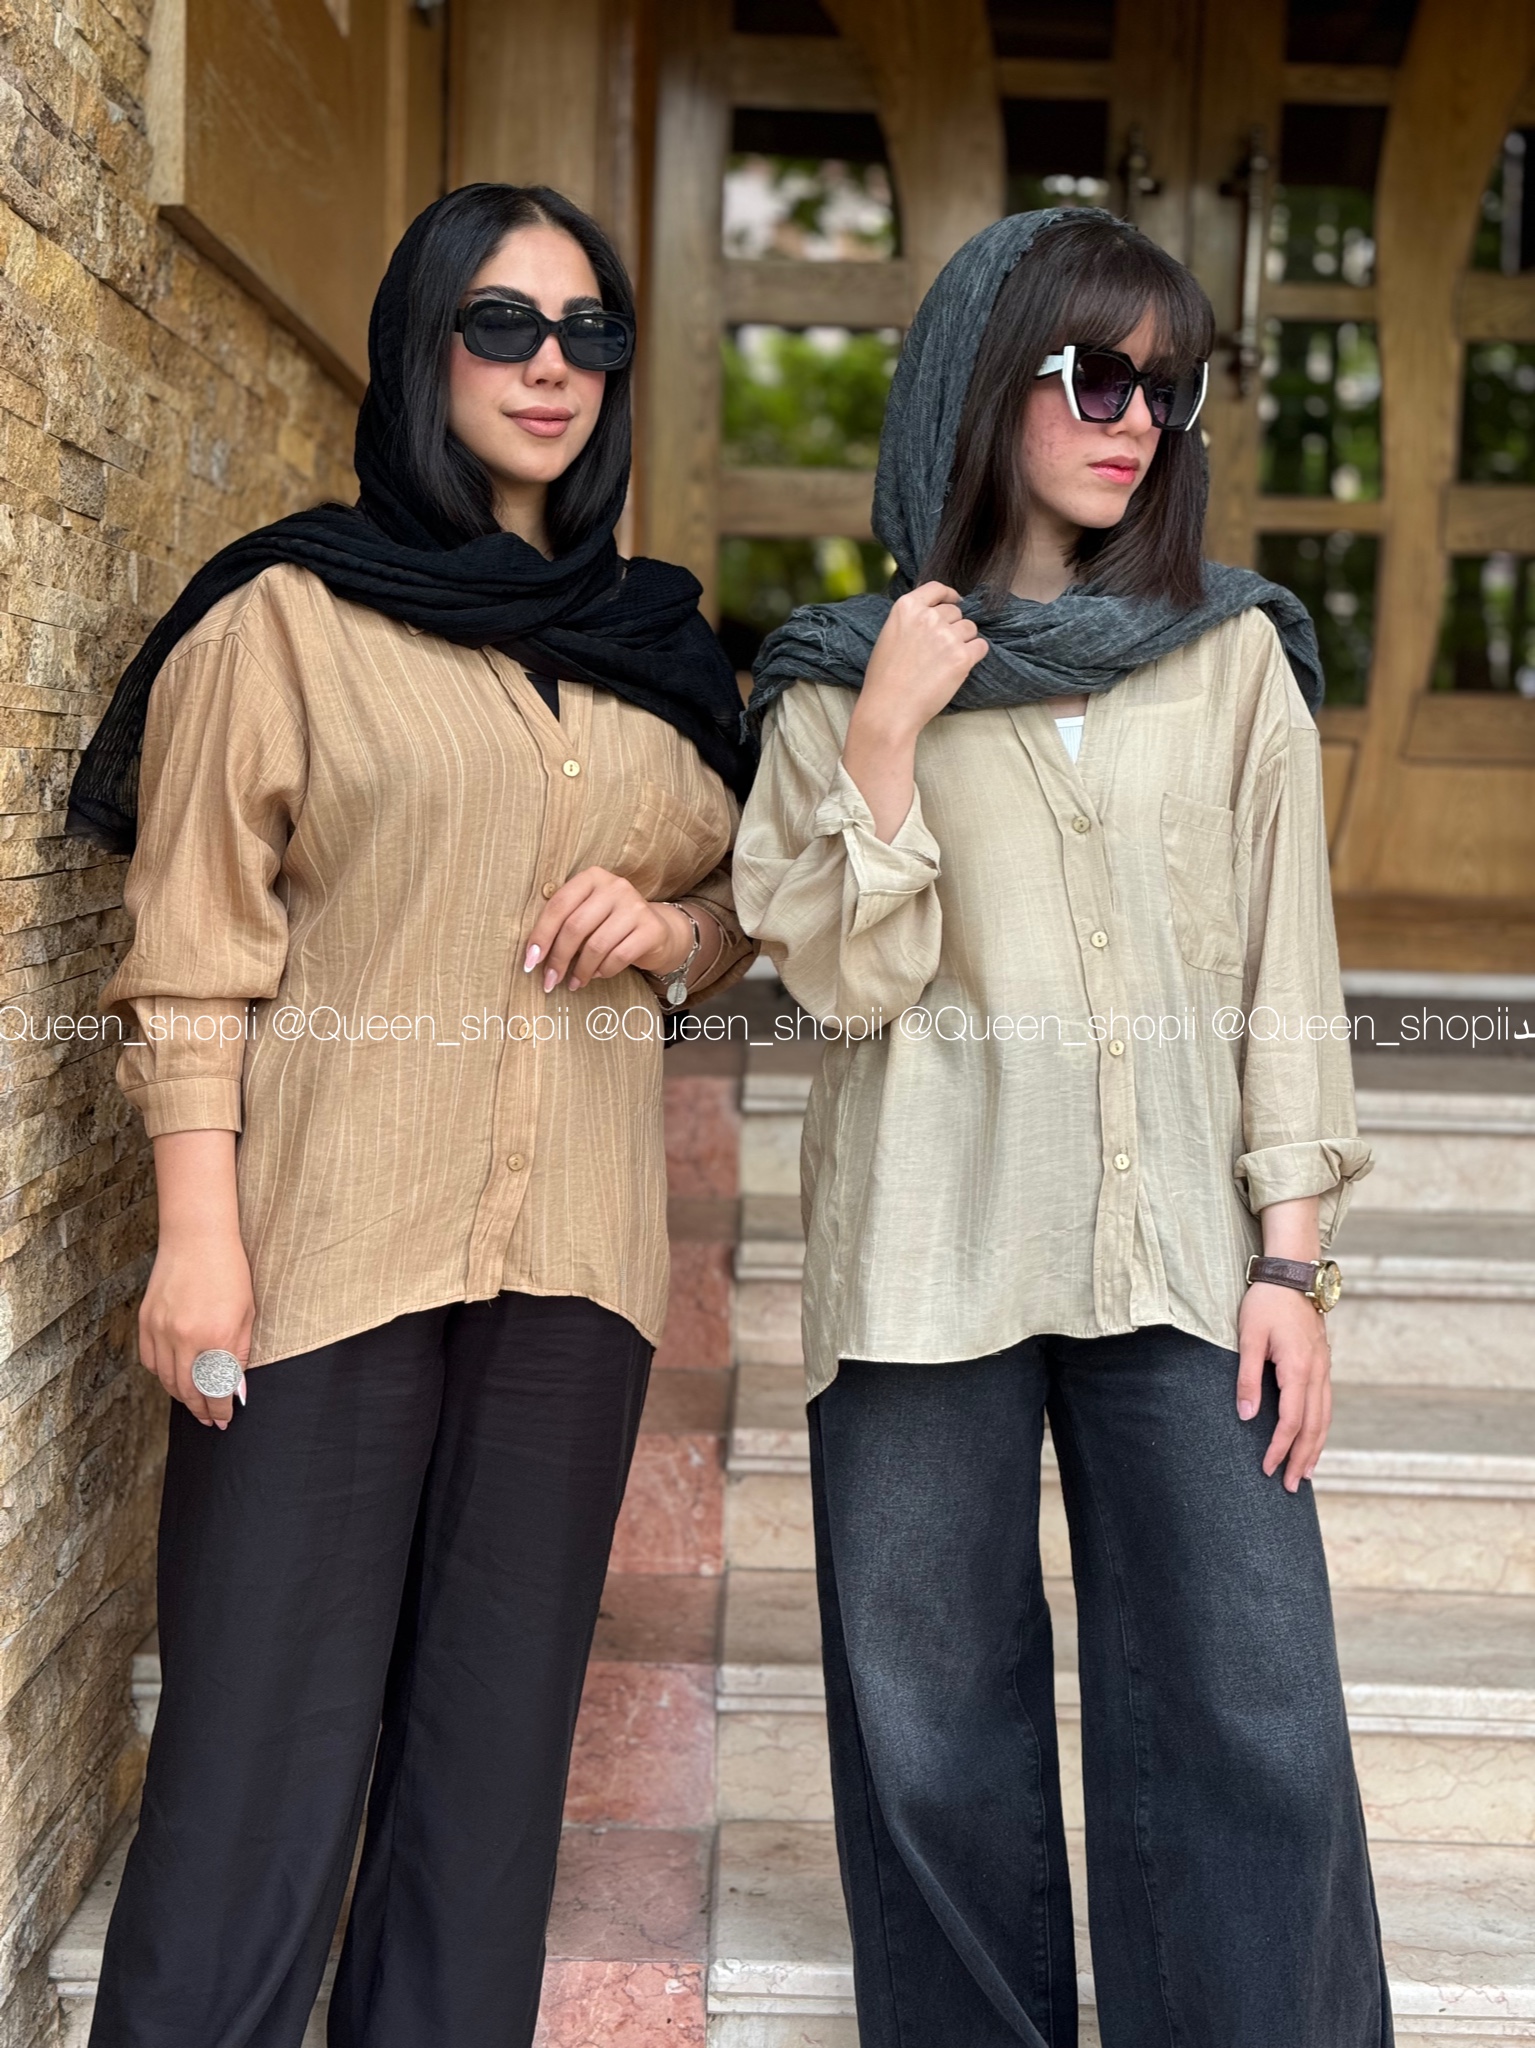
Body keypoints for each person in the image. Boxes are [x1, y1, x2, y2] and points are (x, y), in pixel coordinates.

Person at [67, 182, 757, 2048]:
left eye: (590, 331)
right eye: (502, 325)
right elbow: (191, 950)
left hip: (571, 1272)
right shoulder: (284, 618)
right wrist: (198, 1239)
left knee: (484, 1798)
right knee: (247, 1790)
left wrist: (673, 930)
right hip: (323, 1258)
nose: (552, 368)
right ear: (418, 345)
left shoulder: (660, 648)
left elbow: (739, 906)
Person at [733, 208, 1390, 2048]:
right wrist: (885, 741)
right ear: (981, 375)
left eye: (1168, 393)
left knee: (1256, 1710)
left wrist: (1292, 1262)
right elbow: (841, 986)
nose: (1137, 423)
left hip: (1184, 1253)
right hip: (924, 1254)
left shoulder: (1231, 653)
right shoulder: (834, 675)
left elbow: (1286, 973)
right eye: (1098, 378)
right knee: (935, 1738)